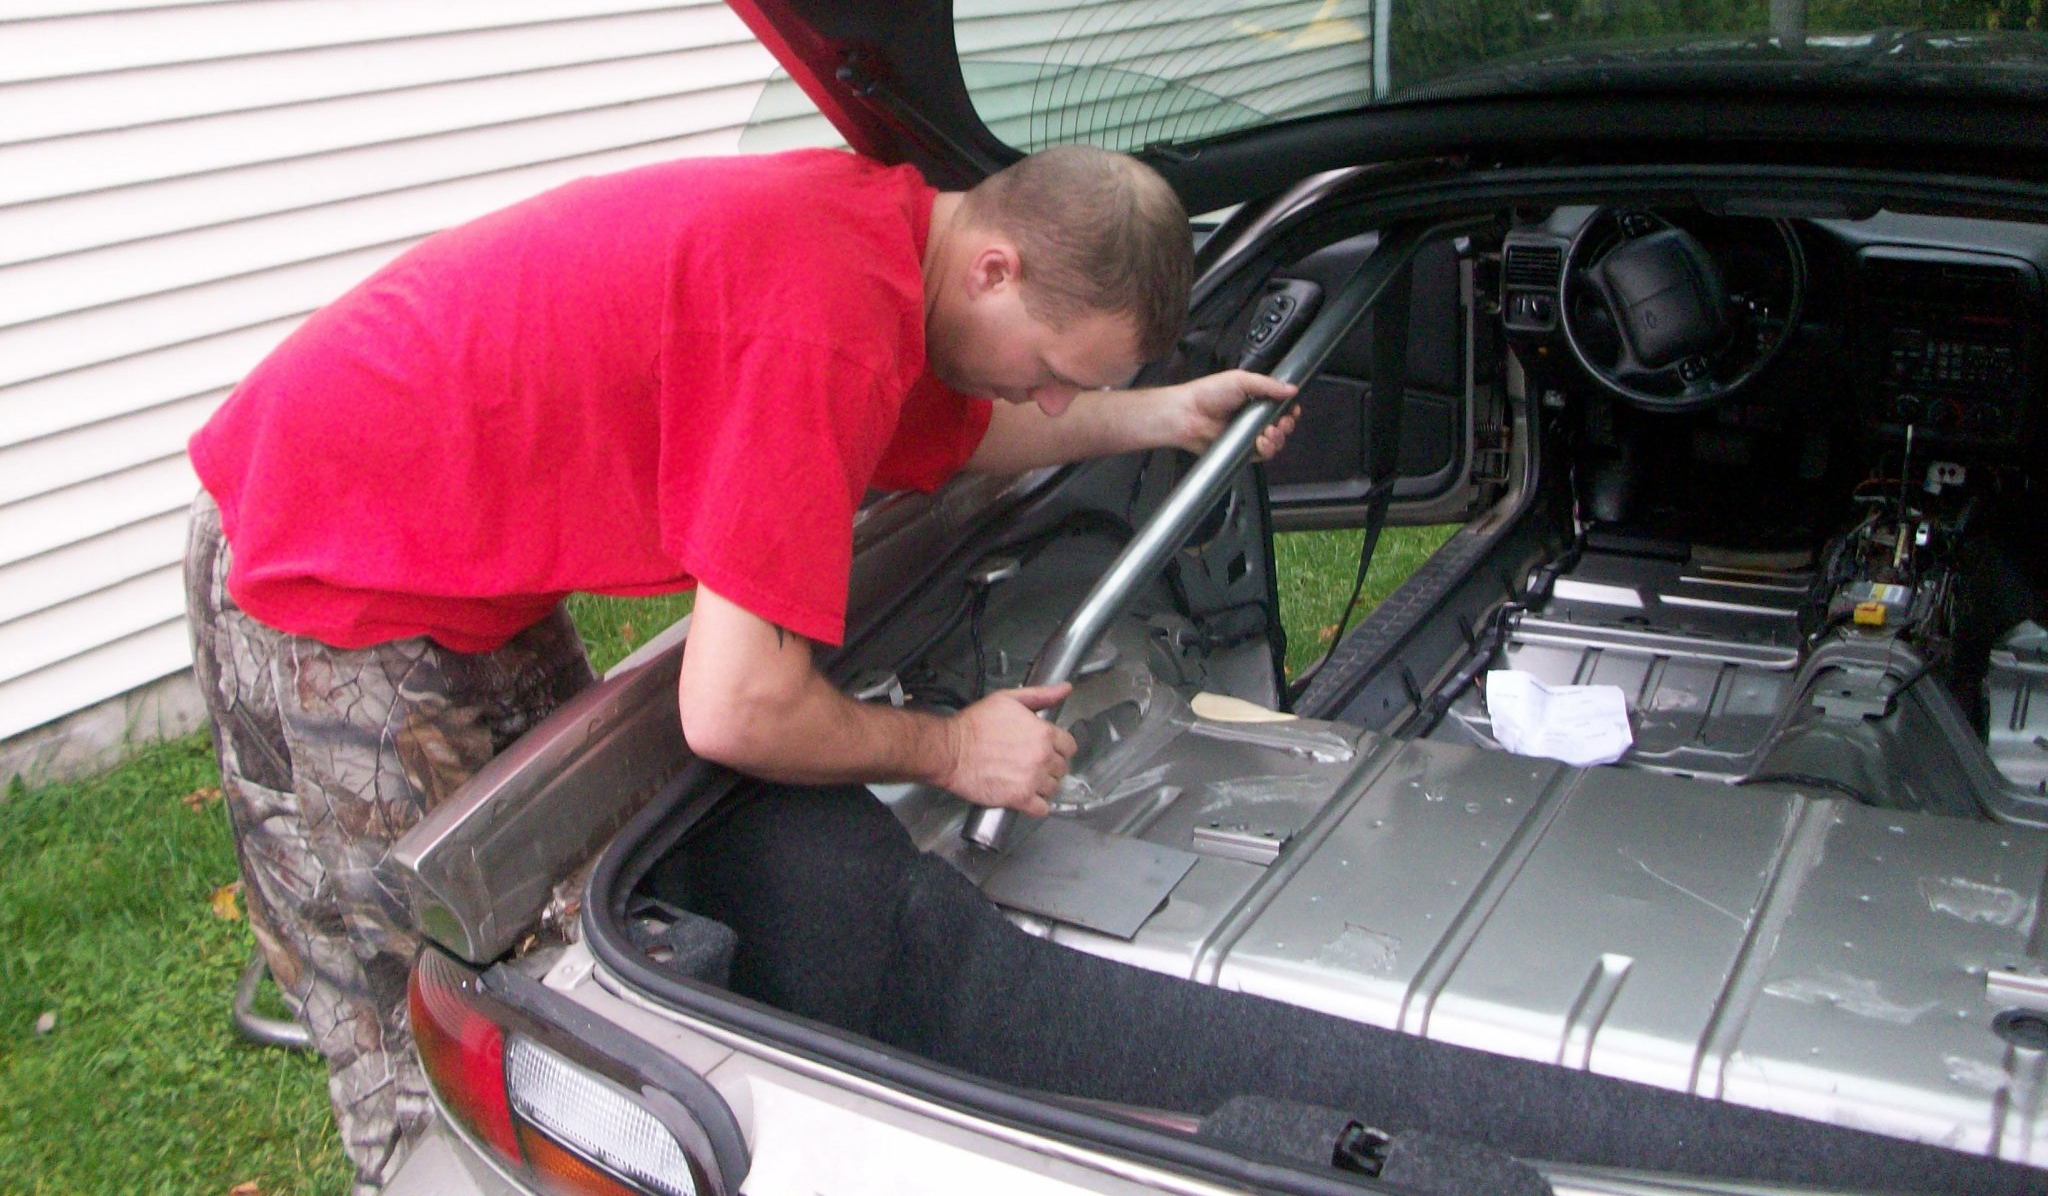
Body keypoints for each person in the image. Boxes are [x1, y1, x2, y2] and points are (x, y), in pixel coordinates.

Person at [183, 142, 1297, 1192]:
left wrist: (1158, 416)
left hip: (460, 546)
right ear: (995, 269)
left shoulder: (896, 252)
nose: (1051, 399)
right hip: (334, 551)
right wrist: (954, 746)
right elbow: (733, 709)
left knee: (571, 917)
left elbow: (955, 431)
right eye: (1054, 371)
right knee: (423, 1010)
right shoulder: (822, 322)